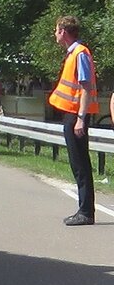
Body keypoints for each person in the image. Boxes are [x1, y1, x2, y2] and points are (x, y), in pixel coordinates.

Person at [48, 15, 98, 226]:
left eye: (57, 30)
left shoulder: (79, 54)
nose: (55, 34)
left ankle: (86, 212)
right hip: (73, 114)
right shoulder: (74, 54)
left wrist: (80, 119)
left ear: (64, 32)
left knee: (80, 164)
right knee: (77, 163)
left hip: (77, 115)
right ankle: (84, 209)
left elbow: (85, 87)